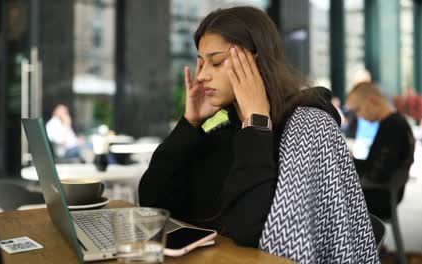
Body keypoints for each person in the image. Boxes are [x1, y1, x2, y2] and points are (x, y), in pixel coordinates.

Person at [139, 6, 379, 263]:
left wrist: (256, 123)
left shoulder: (307, 126)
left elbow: (251, 231)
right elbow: (153, 202)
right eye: (200, 63)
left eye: (216, 61)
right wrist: (189, 124)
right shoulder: (228, 131)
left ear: (256, 62)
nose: (201, 76)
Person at [346, 82, 415, 219]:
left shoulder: (393, 127)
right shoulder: (393, 123)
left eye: (358, 110)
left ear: (373, 101)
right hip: (383, 192)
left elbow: (378, 174)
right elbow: (376, 166)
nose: (358, 116)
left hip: (380, 196)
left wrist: (351, 164)